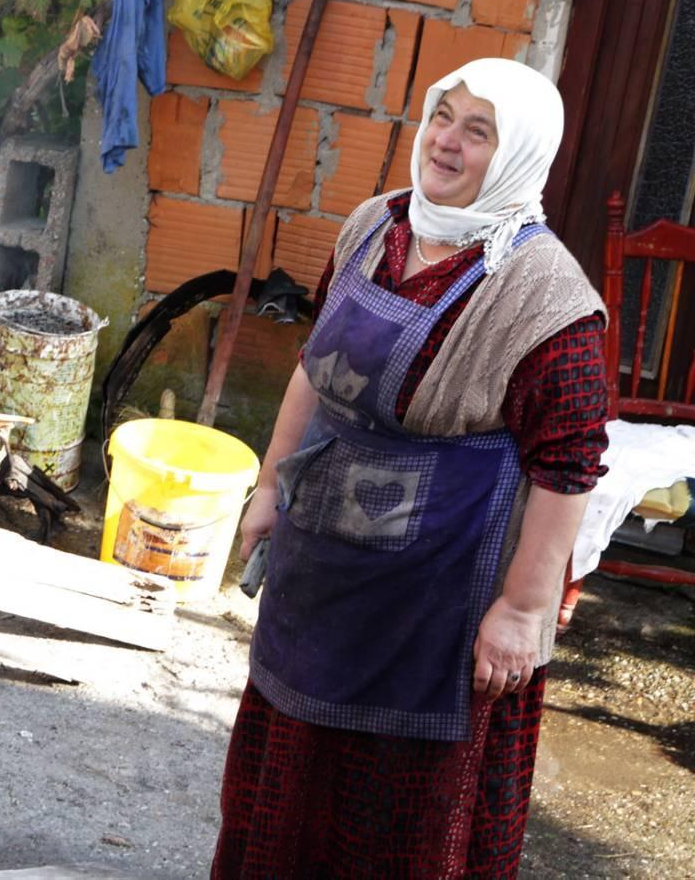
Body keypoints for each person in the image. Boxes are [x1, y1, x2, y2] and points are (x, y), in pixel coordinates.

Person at [212, 58, 610, 879]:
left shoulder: (547, 298)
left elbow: (568, 467)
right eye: (442, 116)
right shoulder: (374, 225)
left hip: (440, 602)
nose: (447, 142)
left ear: (519, 155)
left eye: (478, 130)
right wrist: (269, 486)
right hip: (326, 570)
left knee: (392, 812)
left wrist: (523, 610)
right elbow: (312, 366)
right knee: (289, 772)